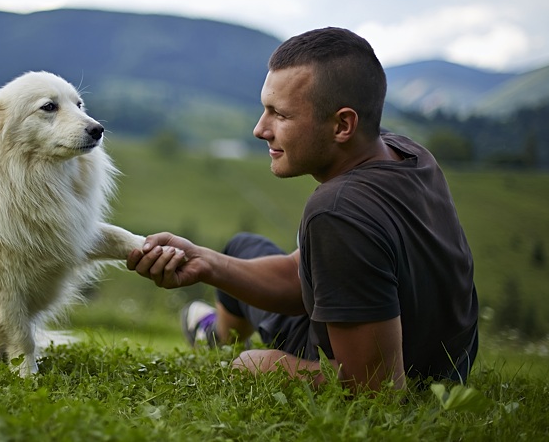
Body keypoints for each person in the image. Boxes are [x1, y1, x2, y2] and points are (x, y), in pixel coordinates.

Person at [126, 27, 479, 392]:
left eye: (279, 114)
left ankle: (220, 338)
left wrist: (262, 365)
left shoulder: (338, 212)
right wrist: (205, 263)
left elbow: (377, 388)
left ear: (343, 124)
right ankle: (216, 335)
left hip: (401, 373)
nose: (260, 129)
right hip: (447, 368)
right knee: (240, 249)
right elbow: (302, 277)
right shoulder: (409, 154)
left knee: (250, 359)